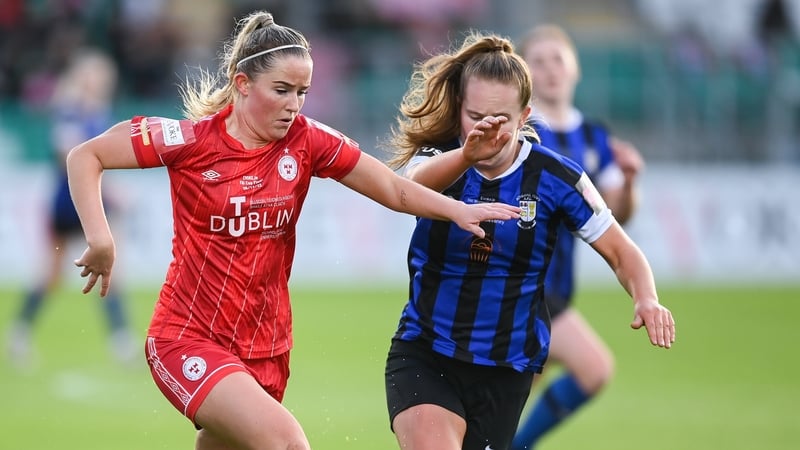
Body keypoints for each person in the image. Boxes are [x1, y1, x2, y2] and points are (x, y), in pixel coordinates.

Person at [65, 11, 519, 450]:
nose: (294, 105)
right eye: (281, 90)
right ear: (242, 84)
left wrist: (458, 210)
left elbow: (393, 190)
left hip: (267, 348)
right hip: (187, 337)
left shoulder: (306, 140)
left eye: (302, 91)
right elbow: (85, 156)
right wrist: (101, 238)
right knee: (287, 444)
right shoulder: (190, 142)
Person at [382, 30, 675, 450]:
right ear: (460, 109)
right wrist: (466, 155)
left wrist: (645, 296)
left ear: (525, 117)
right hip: (427, 352)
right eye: (473, 114)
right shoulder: (440, 159)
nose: (484, 128)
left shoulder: (558, 178)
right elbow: (408, 189)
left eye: (499, 118)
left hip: (508, 369)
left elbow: (621, 250)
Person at [510, 24, 646, 449]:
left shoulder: (593, 136)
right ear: (524, 74)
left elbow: (614, 215)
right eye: (539, 61)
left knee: (511, 395)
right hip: (525, 283)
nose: (550, 69)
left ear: (575, 70)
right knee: (594, 367)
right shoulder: (522, 129)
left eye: (558, 59)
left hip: (559, 289)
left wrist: (628, 183)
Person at [6, 48, 137, 369]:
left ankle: (121, 340)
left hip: (93, 201)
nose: (103, 81)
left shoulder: (99, 112)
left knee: (113, 269)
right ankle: (19, 332)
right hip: (68, 203)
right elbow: (72, 158)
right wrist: (113, 190)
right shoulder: (70, 112)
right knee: (51, 273)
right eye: (97, 75)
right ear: (85, 77)